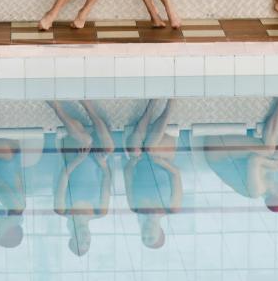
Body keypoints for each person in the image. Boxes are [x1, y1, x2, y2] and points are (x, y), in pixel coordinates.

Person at [48, 100, 114, 256]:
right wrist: (102, 163)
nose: (85, 238)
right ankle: (88, 107)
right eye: (88, 242)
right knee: (109, 148)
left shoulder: (62, 210)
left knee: (86, 140)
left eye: (80, 241)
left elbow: (63, 175)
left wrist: (79, 158)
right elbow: (106, 178)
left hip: (72, 158)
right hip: (96, 159)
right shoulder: (100, 211)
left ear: (72, 237)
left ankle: (57, 107)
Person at [123, 99, 182, 249]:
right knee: (150, 148)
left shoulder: (134, 207)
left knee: (135, 148)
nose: (147, 233)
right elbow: (175, 174)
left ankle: (151, 107)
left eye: (144, 237)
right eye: (151, 237)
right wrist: (159, 161)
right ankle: (169, 108)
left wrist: (134, 160)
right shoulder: (170, 208)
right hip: (164, 155)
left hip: (140, 157)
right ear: (160, 232)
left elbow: (128, 174)